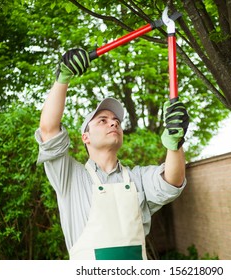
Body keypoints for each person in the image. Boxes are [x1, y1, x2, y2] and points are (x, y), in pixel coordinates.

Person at [35, 48, 189, 260]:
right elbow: (48, 130)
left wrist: (175, 143)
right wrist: (63, 77)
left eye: (116, 121)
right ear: (86, 137)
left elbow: (173, 180)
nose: (114, 123)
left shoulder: (138, 179)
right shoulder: (70, 177)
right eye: (103, 120)